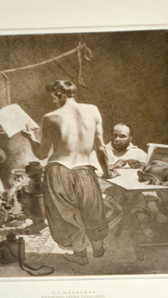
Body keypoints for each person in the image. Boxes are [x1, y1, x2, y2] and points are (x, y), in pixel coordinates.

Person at [22, 79, 109, 265]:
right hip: (85, 170)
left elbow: (42, 153)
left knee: (66, 215)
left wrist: (30, 137)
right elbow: (101, 148)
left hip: (58, 170)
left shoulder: (50, 117)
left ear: (59, 94)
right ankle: (98, 247)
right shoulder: (93, 110)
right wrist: (107, 172)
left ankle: (80, 255)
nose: (53, 101)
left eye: (53, 97)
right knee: (92, 210)